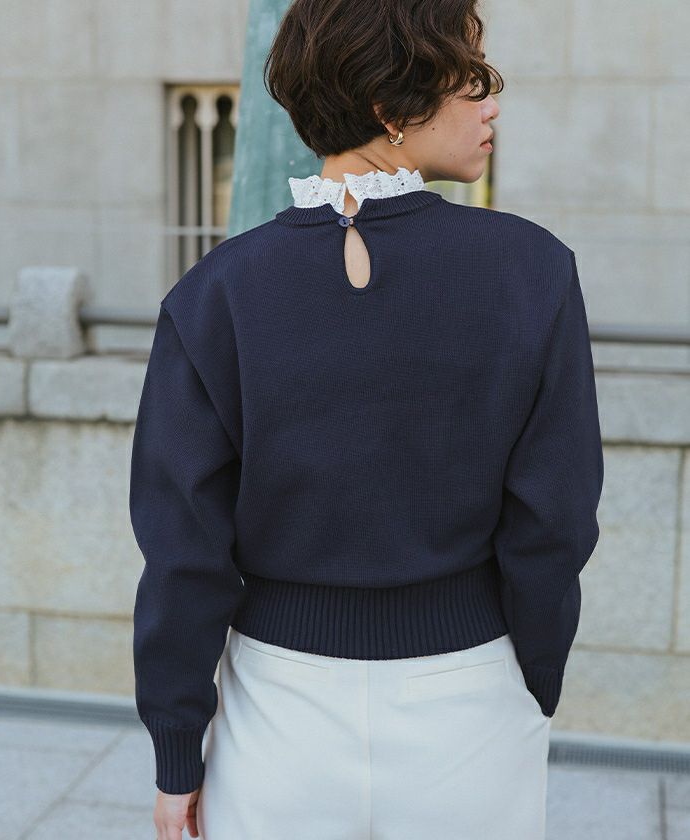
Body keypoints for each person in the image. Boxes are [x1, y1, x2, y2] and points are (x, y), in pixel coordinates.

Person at [129, 1, 604, 838]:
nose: (492, 103)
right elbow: (554, 520)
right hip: (470, 698)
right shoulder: (531, 270)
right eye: (472, 79)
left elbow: (183, 552)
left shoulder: (214, 293)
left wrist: (177, 753)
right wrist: (532, 678)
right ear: (391, 106)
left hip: (275, 711)